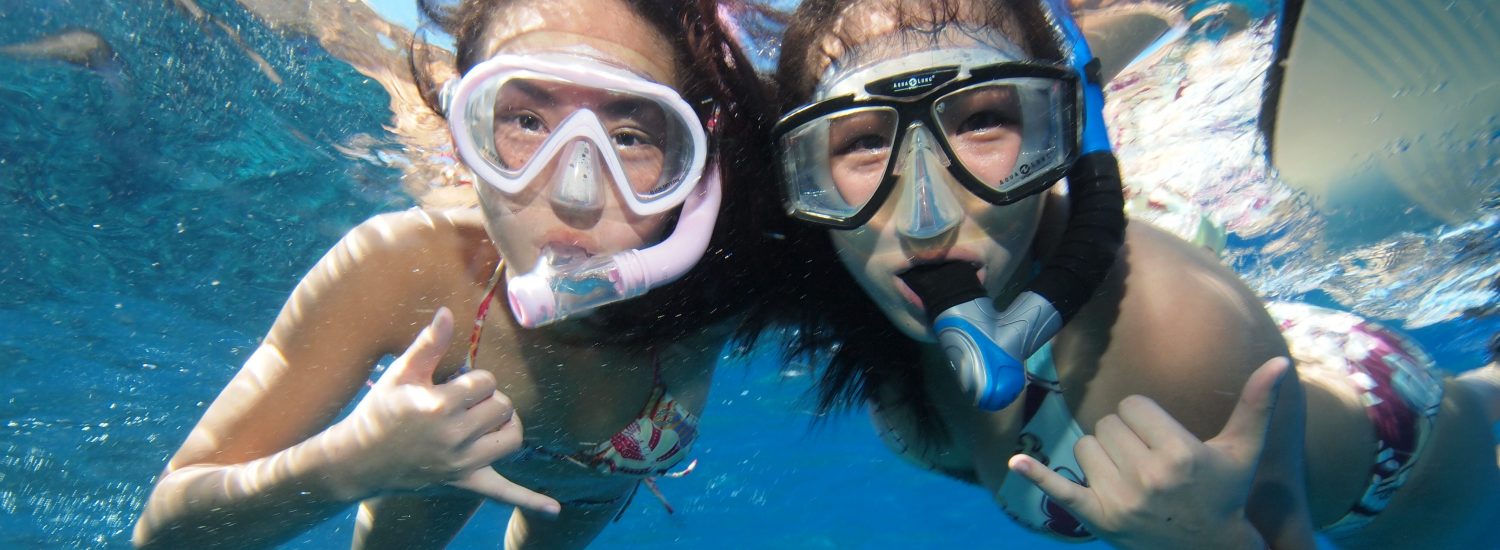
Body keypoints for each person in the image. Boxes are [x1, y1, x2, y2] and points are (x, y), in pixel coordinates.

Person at [764, 0, 1500, 547]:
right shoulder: (852, 292)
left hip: (1396, 458)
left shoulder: (1176, 345)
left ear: (1063, 135)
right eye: (860, 141)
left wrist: (1215, 541)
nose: (925, 216)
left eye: (983, 120)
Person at [130, 0, 783, 547]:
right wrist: (354, 462)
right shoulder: (402, 267)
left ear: (697, 170)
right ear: (464, 133)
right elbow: (163, 530)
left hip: (587, 495)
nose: (575, 194)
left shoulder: (728, 281)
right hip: (432, 471)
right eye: (525, 121)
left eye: (633, 135)